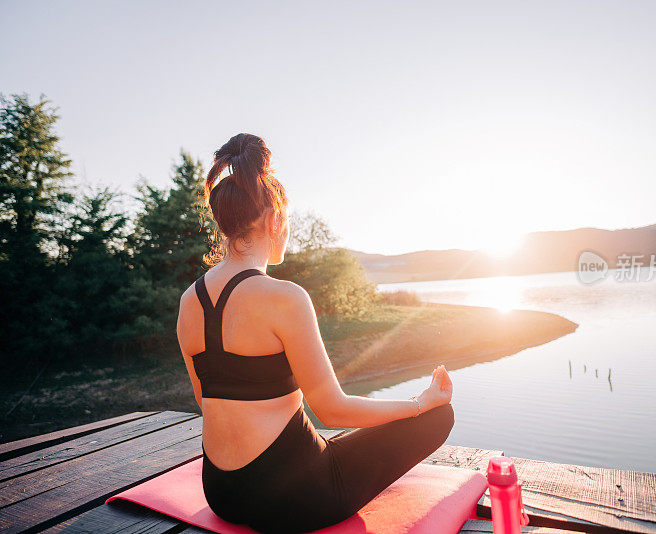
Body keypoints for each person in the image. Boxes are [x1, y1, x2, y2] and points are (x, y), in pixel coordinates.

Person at [176, 133, 455, 533]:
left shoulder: (189, 301)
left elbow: (206, 401)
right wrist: (420, 402)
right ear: (274, 220)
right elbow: (331, 409)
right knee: (439, 417)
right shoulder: (284, 297)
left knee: (330, 442)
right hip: (295, 499)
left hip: (221, 493)